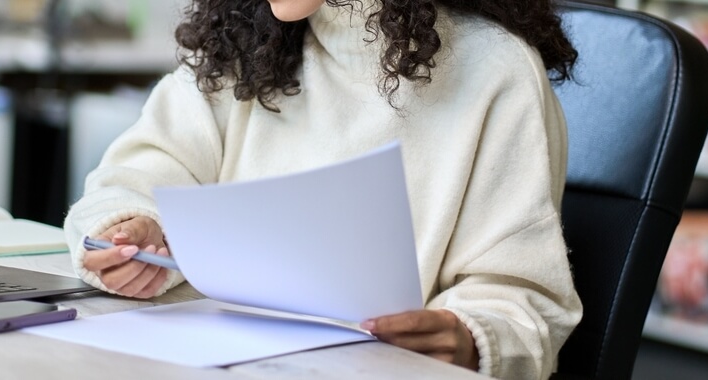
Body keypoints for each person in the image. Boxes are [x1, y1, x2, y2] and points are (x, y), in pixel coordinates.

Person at [63, 0, 583, 377]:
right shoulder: (243, 43)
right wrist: (132, 225)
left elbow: (523, 302)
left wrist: (471, 338)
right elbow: (127, 180)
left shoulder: (496, 72)